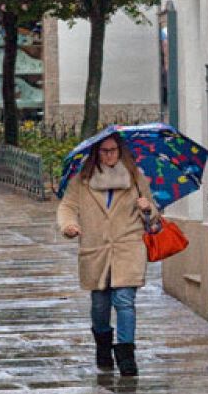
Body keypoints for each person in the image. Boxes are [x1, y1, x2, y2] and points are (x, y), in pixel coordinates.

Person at [57, 133, 160, 377]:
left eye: (113, 150)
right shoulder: (82, 181)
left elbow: (153, 214)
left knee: (125, 301)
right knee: (100, 304)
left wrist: (148, 209)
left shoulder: (136, 179)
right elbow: (67, 206)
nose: (109, 155)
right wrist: (68, 226)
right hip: (96, 249)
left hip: (128, 247)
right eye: (104, 151)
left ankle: (126, 355)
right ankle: (103, 345)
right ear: (96, 153)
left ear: (121, 151)